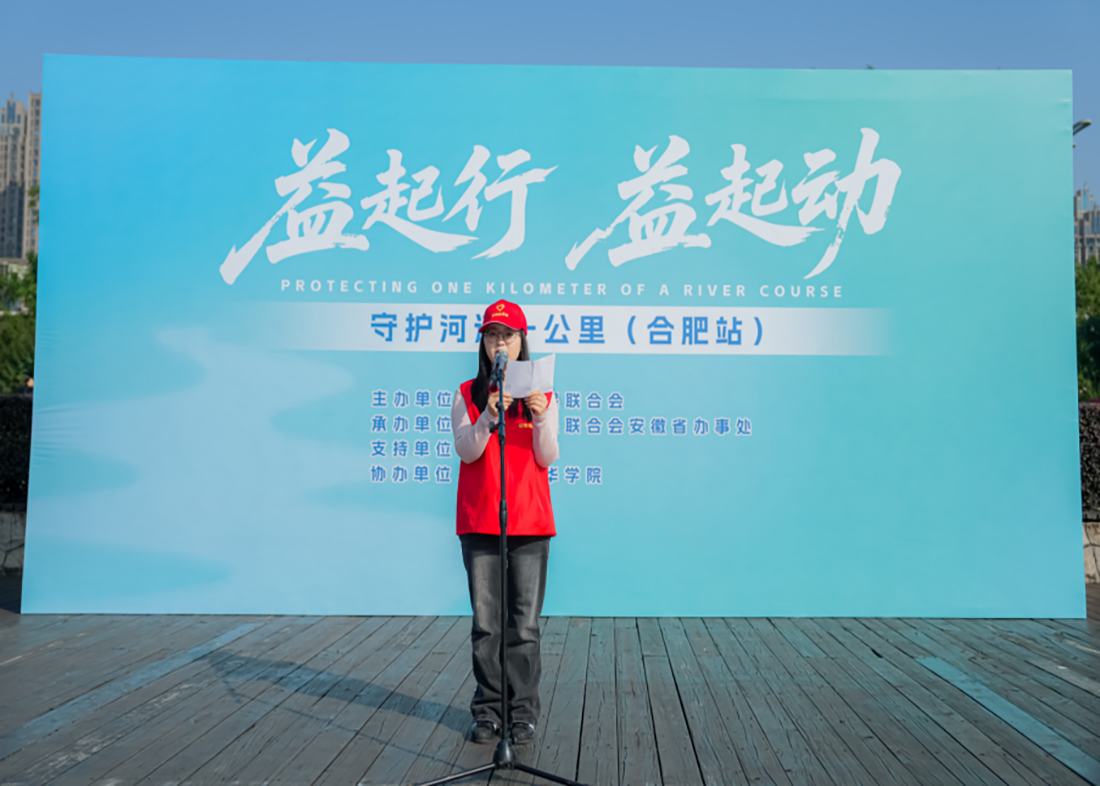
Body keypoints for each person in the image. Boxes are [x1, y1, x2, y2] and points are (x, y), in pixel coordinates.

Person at [450, 299, 560, 745]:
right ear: (483, 343)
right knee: (487, 625)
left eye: (508, 336)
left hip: (529, 521)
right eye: (492, 335)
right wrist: (488, 416)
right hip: (481, 521)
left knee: (524, 626)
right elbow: (466, 450)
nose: (500, 343)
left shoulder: (543, 395)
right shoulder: (468, 393)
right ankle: (489, 712)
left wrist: (539, 417)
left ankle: (523, 713)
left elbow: (547, 457)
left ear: (521, 342)